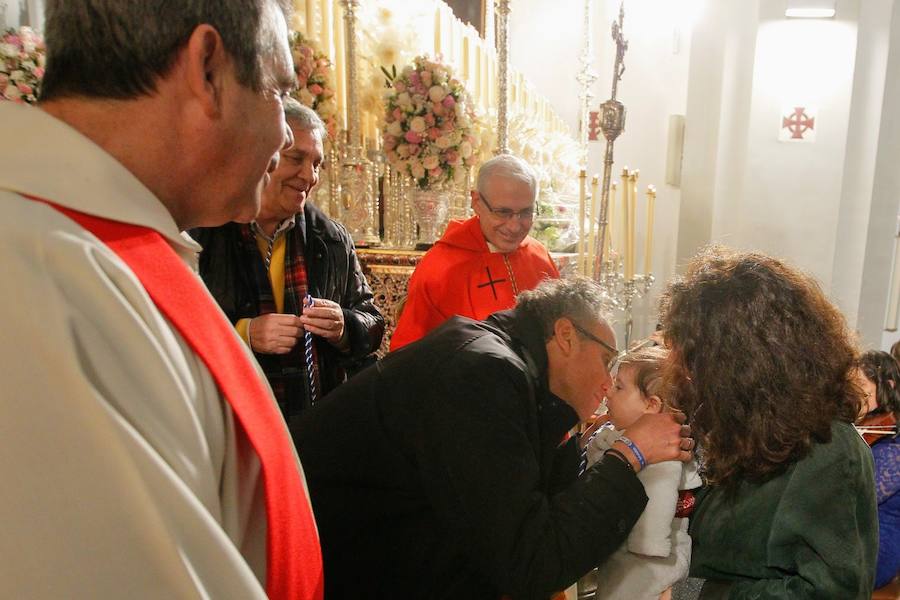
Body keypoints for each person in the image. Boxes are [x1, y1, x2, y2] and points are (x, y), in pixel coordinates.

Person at [0, 1, 324, 599]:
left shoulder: (108, 237)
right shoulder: (37, 274)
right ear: (206, 70)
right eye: (279, 91)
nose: (284, 134)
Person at [293, 277, 693, 599]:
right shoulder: (481, 373)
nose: (608, 383)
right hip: (336, 568)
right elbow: (531, 563)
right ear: (566, 335)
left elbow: (538, 516)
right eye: (607, 360)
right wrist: (630, 454)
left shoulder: (505, 366)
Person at [660, 246, 877, 598]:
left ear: (741, 362)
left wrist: (696, 592)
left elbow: (830, 592)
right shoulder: (736, 424)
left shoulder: (829, 451)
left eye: (696, 358)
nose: (682, 369)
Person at [192, 98, 384, 421]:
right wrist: (245, 334)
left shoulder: (331, 236)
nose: (308, 175)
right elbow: (176, 329)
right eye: (296, 158)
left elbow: (372, 323)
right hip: (230, 422)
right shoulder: (205, 229)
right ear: (261, 156)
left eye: (317, 164)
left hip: (318, 425)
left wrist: (343, 326)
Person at [389, 153, 559, 350]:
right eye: (503, 212)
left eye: (526, 212)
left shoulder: (540, 257)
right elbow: (408, 355)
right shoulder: (439, 268)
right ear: (477, 202)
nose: (514, 226)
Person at [585, 346, 701, 600]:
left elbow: (659, 497)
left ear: (651, 405)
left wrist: (649, 545)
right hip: (624, 555)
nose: (608, 393)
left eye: (619, 387)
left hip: (648, 563)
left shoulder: (661, 452)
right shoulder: (624, 435)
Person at [856, 351, 900, 589]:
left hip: (875, 550)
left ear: (888, 386)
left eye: (861, 385)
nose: (853, 394)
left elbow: (858, 500)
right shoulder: (862, 430)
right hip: (850, 536)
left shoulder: (894, 449)